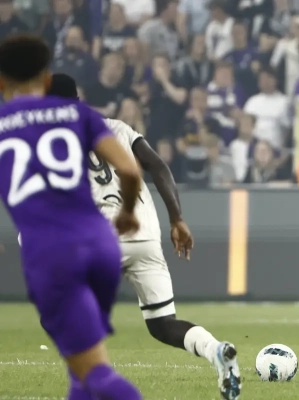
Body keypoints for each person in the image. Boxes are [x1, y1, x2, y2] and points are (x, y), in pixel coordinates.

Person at [47, 72, 242, 400]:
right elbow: (158, 165)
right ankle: (215, 350)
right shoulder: (116, 128)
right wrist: (177, 218)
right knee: (163, 324)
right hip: (145, 234)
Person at [0, 34, 143, 399]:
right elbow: (130, 171)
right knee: (80, 371)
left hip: (52, 254)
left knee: (95, 373)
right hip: (102, 245)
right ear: (47, 78)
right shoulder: (78, 114)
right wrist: (127, 212)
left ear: (1, 82)